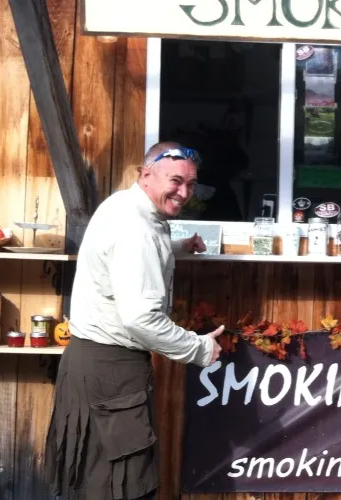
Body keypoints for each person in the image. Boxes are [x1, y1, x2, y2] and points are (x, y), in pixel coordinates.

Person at [45, 142, 225, 500]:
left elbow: (124, 257)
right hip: (112, 371)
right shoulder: (138, 230)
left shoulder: (122, 205)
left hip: (88, 362)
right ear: (146, 174)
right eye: (176, 181)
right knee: (121, 488)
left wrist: (177, 247)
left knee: (88, 483)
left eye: (191, 184)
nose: (184, 193)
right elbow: (142, 319)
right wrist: (199, 348)